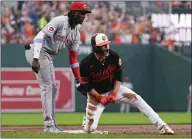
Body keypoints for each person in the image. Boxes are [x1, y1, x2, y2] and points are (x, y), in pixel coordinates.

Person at [78, 33, 174, 135]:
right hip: (96, 95)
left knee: (137, 99)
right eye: (103, 45)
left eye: (106, 44)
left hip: (112, 88)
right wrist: (100, 98)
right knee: (90, 129)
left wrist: (114, 93)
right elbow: (86, 86)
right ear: (95, 47)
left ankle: (162, 125)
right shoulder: (86, 63)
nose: (106, 47)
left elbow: (118, 78)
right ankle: (87, 122)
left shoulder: (113, 56)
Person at [25, 2, 91, 133]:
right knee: (48, 87)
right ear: (73, 13)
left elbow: (73, 59)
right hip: (38, 51)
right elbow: (39, 36)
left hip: (47, 55)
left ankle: (52, 124)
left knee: (53, 88)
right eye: (81, 13)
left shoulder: (76, 34)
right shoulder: (60, 21)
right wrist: (36, 58)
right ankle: (49, 126)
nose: (84, 16)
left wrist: (78, 79)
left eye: (85, 13)